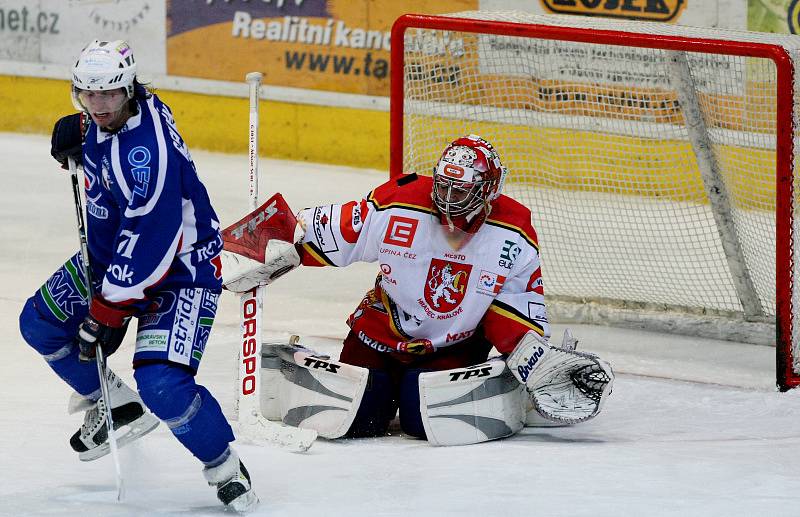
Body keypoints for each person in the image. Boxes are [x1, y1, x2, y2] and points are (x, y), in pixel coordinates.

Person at [221, 134, 614, 446]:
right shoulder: (400, 203)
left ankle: (512, 394)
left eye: (459, 192)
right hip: (382, 329)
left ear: (489, 191)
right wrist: (256, 244)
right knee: (360, 416)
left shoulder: (514, 233)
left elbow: (512, 311)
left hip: (455, 344)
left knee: (422, 417)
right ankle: (289, 364)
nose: (445, 199)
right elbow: (316, 229)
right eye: (442, 186)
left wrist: (533, 360)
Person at [18, 40, 257, 511]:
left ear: (127, 90)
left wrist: (109, 310)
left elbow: (154, 238)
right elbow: (99, 132)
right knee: (39, 324)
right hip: (120, 261)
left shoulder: (148, 155)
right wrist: (79, 130)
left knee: (164, 385)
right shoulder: (125, 108)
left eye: (108, 96)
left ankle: (224, 466)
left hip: (182, 269)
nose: (99, 106)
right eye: (89, 96)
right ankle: (117, 406)